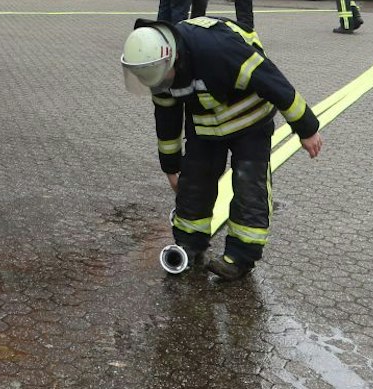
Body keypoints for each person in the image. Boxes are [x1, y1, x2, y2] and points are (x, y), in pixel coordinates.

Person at [120, 18, 324, 282]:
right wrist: (171, 167)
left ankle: (240, 258)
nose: (158, 84)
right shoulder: (158, 73)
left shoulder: (219, 50)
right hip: (205, 126)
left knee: (249, 186)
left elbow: (274, 83)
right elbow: (167, 123)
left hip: (249, 120)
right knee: (194, 182)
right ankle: (189, 245)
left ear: (174, 57)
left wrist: (306, 128)